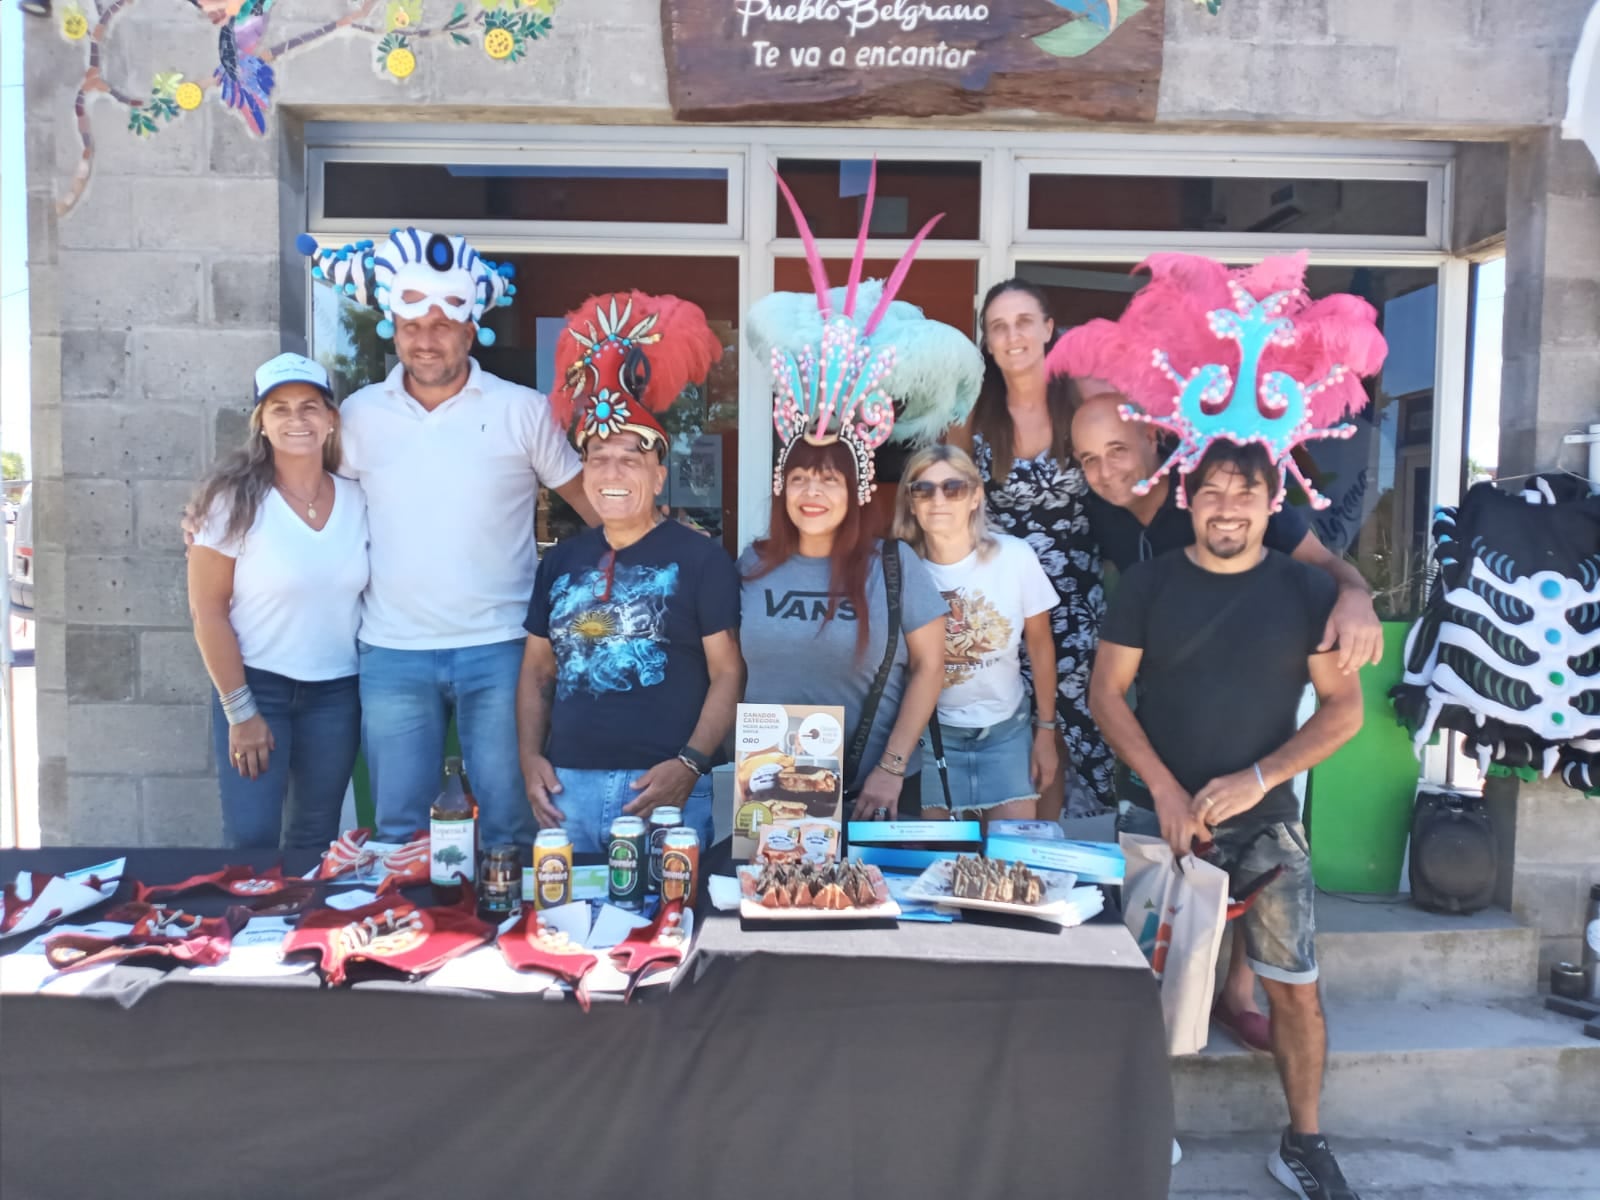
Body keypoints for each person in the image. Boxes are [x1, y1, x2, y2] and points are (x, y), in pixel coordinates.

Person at [1084, 252, 1385, 1199]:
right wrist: (1169, 789)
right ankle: (1143, 1133)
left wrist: (1255, 781)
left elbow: (1344, 713)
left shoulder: (1306, 592)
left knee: (1294, 985)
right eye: (1210, 490)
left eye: (1245, 492)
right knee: (1140, 989)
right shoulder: (1149, 583)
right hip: (1158, 822)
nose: (1226, 505)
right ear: (1191, 494)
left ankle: (1303, 1142)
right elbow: (1104, 696)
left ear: (1269, 500)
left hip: (1269, 827)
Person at [300, 228, 599, 848]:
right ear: (393, 329)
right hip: (391, 650)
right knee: (400, 829)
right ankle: (401, 941)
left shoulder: (523, 410)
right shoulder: (357, 415)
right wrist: (231, 509)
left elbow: (593, 506)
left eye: (441, 324)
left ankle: (513, 943)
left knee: (512, 824)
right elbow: (303, 491)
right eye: (411, 323)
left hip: (502, 648)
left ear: (470, 331)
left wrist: (661, 562)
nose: (425, 339)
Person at [740, 163, 976, 817]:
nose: (812, 489)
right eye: (800, 475)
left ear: (858, 487)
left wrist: (892, 771)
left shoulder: (893, 570)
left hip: (872, 796)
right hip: (768, 795)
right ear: (781, 485)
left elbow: (931, 668)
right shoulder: (751, 565)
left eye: (830, 476)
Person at [517, 290, 737, 853]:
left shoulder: (701, 559)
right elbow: (538, 670)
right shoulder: (560, 561)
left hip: (663, 791)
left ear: (659, 476)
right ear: (582, 472)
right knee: (565, 936)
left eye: (630, 460)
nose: (611, 472)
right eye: (597, 458)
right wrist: (529, 759)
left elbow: (729, 673)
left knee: (670, 937)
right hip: (564, 791)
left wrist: (690, 765)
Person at [187, 353, 367, 849]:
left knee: (315, 835)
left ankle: (306, 929)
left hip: (336, 694)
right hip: (257, 688)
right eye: (280, 409)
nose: (297, 420)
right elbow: (208, 613)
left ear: (331, 420)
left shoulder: (360, 498)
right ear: (261, 424)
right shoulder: (231, 502)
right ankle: (252, 927)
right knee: (252, 838)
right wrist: (240, 712)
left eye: (310, 407)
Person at [948, 279, 1113, 819]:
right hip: (998, 602)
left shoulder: (1085, 393)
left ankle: (1068, 859)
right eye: (998, 327)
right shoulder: (972, 408)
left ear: (1048, 329)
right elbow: (951, 503)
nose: (1012, 335)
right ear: (987, 343)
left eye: (1023, 322)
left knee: (1073, 728)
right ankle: (1011, 860)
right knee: (1009, 733)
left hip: (1074, 604)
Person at [893, 445, 1058, 825]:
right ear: (911, 502)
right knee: (936, 866)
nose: (939, 499)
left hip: (1006, 730)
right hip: (929, 735)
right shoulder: (897, 568)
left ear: (975, 496)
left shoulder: (1015, 557)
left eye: (953, 487)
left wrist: (1046, 731)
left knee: (1010, 866)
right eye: (924, 489)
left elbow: (1040, 645)